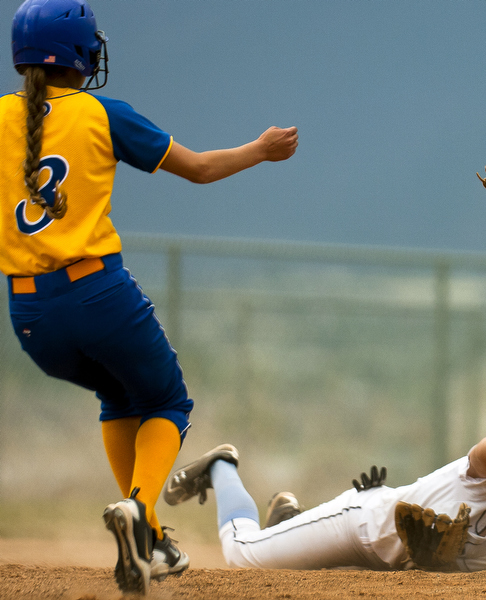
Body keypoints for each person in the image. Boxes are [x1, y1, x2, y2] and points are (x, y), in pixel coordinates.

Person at [1, 0, 298, 594]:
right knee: (169, 400)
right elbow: (199, 169)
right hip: (96, 291)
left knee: (118, 395)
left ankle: (153, 540)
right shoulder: (100, 114)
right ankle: (141, 513)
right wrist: (260, 150)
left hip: (29, 313)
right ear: (82, 55)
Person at [163, 427, 486, 572]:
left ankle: (288, 520)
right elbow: (483, 454)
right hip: (359, 526)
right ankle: (221, 465)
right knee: (240, 555)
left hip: (380, 564)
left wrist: (438, 562)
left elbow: (458, 578)